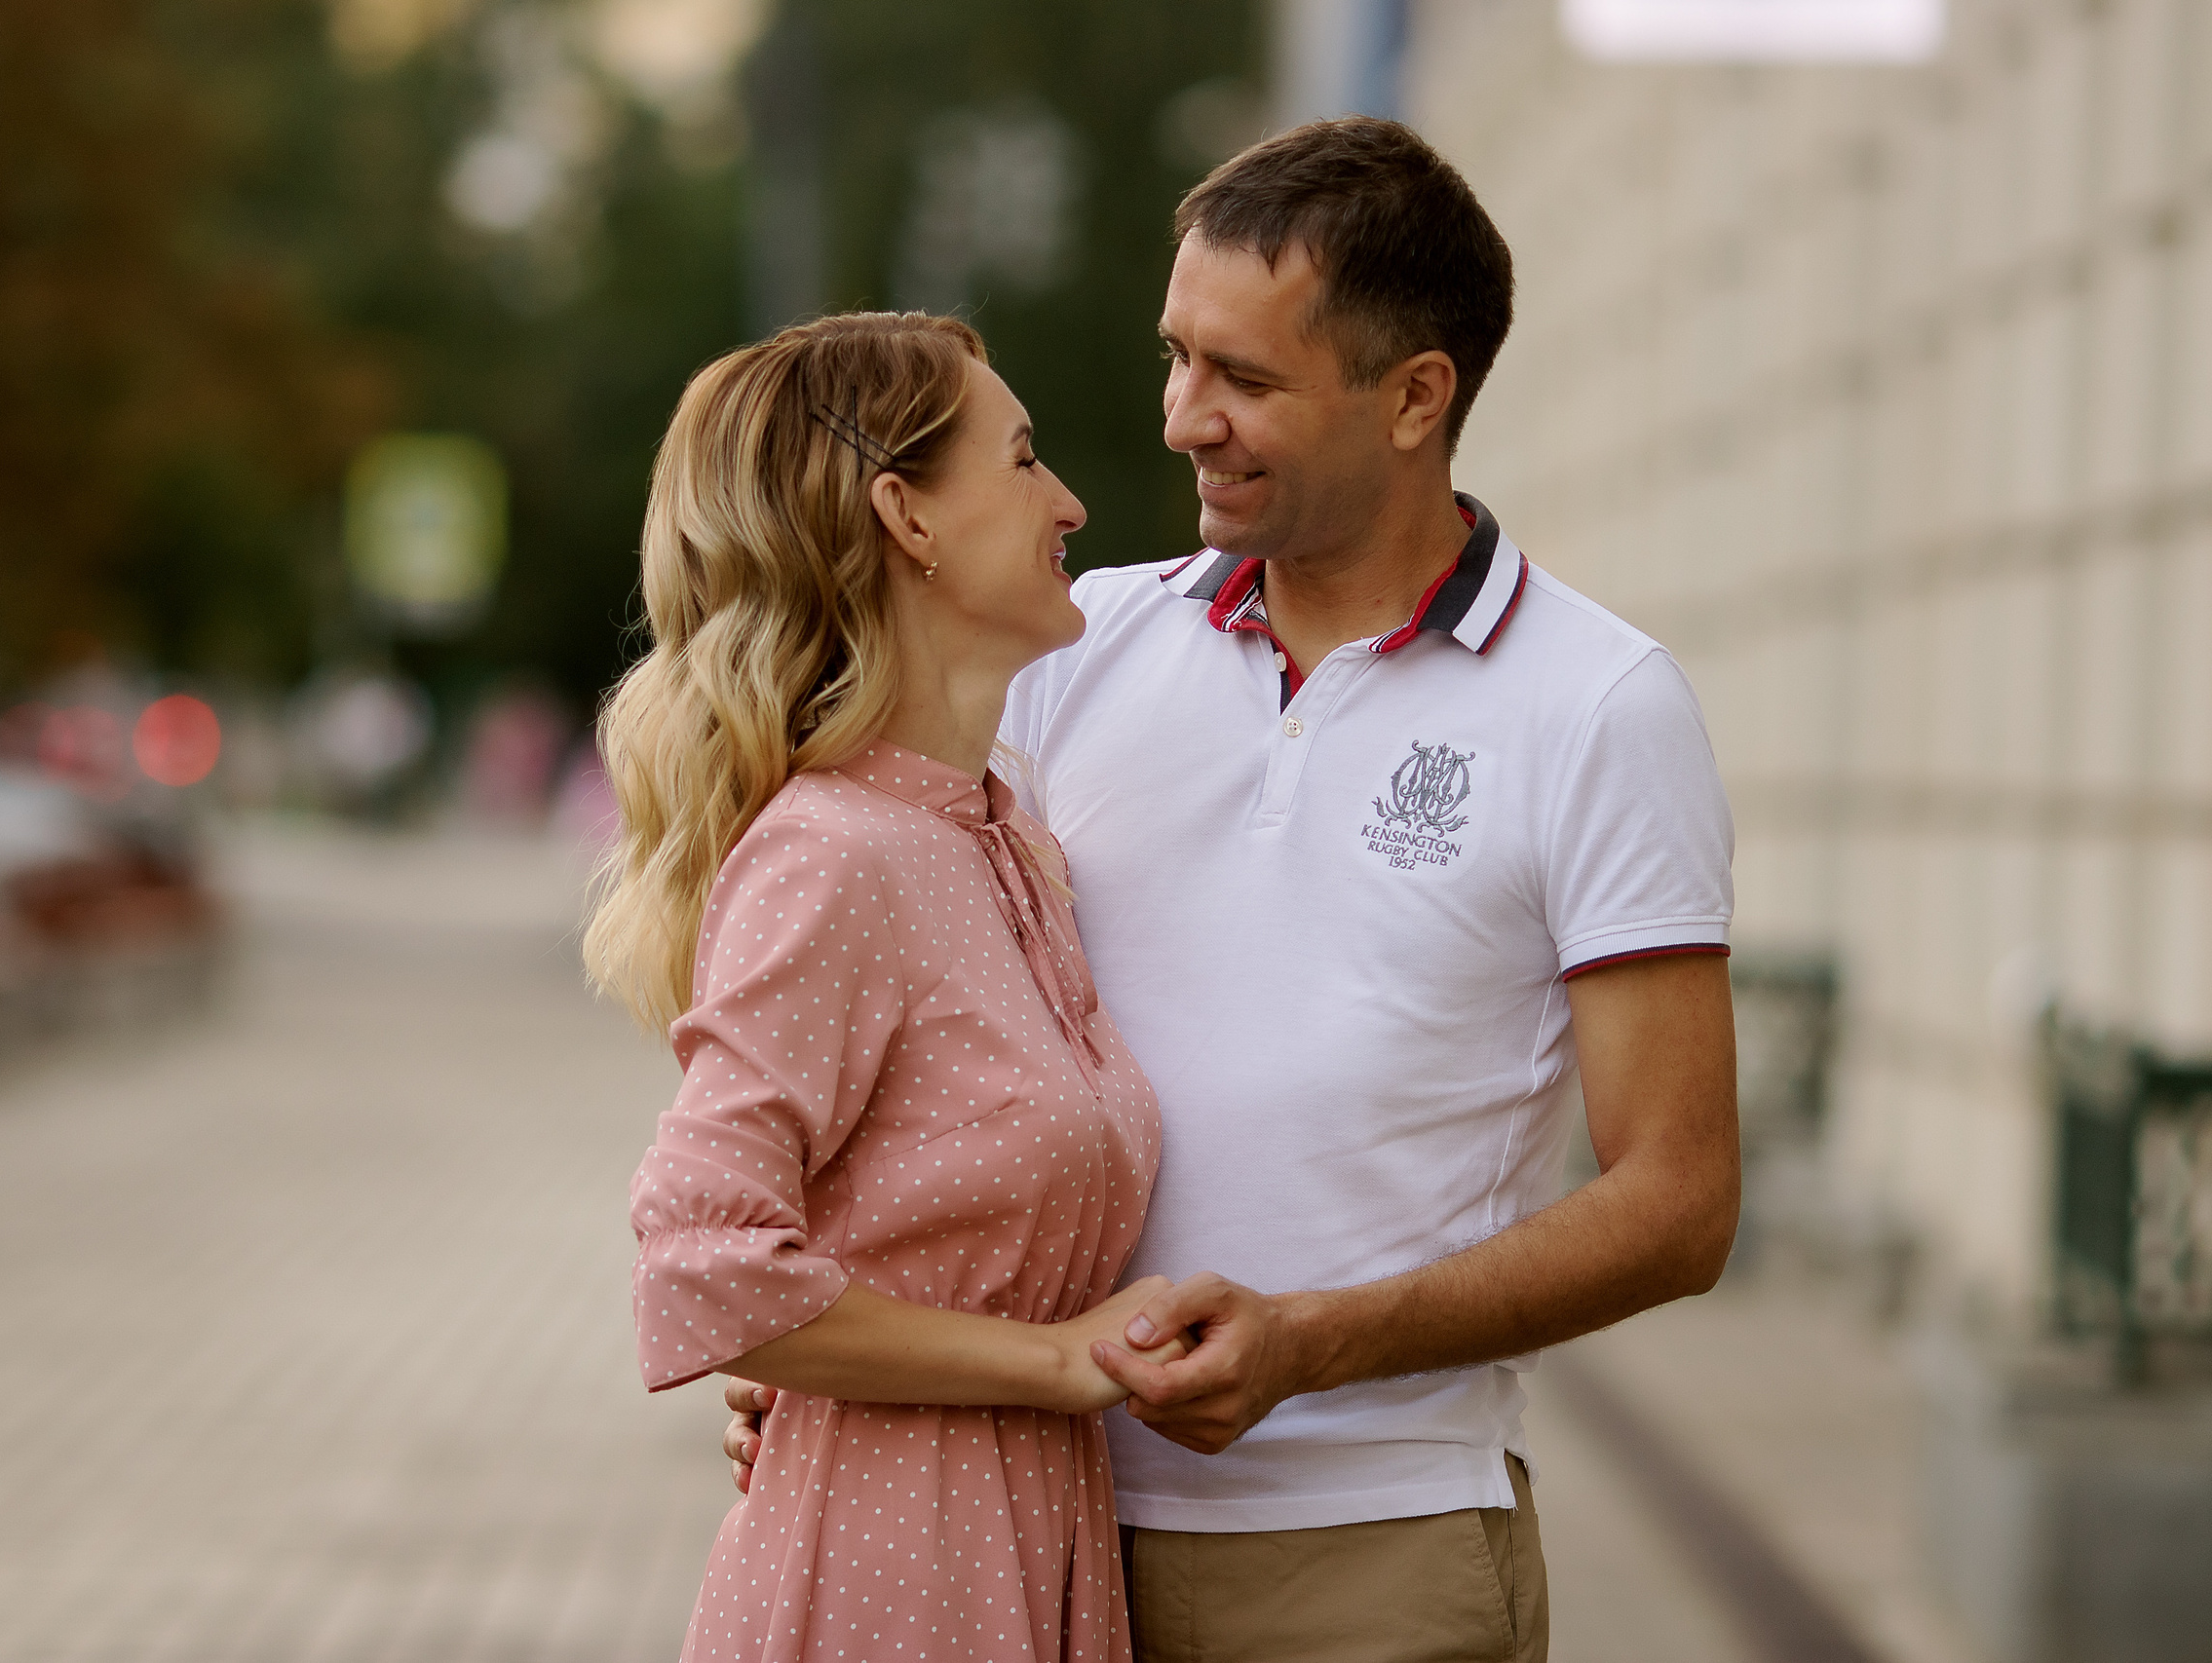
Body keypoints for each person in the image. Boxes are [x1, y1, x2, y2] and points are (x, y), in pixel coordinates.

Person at [728, 119, 1742, 1663]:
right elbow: (896, 1024)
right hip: (1015, 1518)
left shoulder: (1599, 706)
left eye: (1246, 380)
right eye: (1176, 358)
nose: (1182, 419)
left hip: (1370, 1550)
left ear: (1418, 397)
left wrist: (1310, 1344)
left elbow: (1678, 1202)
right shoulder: (1073, 654)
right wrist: (840, 1332)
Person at [591, 312, 1189, 1663]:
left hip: (1027, 1533)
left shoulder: (1005, 839)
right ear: (905, 517)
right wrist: (1054, 1362)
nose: (1070, 502)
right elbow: (703, 1265)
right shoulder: (831, 855)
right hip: (896, 1578)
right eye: (1025, 460)